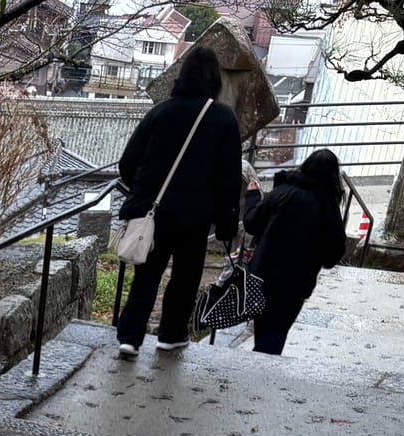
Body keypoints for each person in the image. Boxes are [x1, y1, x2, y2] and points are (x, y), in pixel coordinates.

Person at [113, 47, 245, 358]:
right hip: (195, 216)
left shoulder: (160, 112)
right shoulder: (223, 118)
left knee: (146, 275)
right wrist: (226, 222)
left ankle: (130, 338)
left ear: (182, 76)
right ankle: (170, 335)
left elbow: (128, 163)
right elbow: (229, 177)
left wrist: (144, 191)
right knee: (186, 277)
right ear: (215, 80)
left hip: (155, 211)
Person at [242, 148, 350, 355]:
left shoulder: (282, 193)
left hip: (263, 277)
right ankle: (261, 366)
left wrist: (253, 196)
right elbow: (333, 255)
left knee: (263, 331)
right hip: (295, 286)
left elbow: (251, 223)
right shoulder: (328, 207)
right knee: (275, 338)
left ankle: (256, 365)